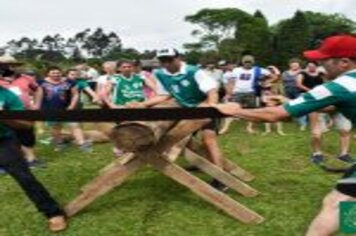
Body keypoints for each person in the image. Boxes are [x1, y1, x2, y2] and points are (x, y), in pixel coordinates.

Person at [214, 35, 356, 236]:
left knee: (336, 204)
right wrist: (290, 101)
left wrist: (233, 110)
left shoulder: (340, 85)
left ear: (344, 62)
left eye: (324, 61)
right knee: (346, 202)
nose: (320, 66)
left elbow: (274, 115)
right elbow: (341, 103)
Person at [129, 48, 228, 191]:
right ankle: (200, 163)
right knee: (181, 138)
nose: (167, 63)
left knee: (209, 140)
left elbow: (212, 91)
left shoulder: (194, 72)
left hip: (204, 106)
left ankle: (221, 178)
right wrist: (142, 104)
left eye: (170, 59)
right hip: (184, 109)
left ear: (178, 58)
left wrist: (209, 109)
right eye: (163, 61)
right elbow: (164, 95)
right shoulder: (161, 74)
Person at [0, 79, 67, 232]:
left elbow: (27, 124)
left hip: (3, 141)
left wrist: (4, 117)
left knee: (24, 177)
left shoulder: (6, 95)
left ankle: (53, 212)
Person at [297, 62, 354, 164]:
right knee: (316, 133)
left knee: (345, 130)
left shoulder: (345, 82)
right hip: (318, 108)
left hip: (338, 107)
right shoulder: (319, 89)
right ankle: (317, 154)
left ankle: (344, 154)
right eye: (324, 75)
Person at [0, 57, 45, 169]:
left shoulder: (26, 78)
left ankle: (31, 160)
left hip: (25, 112)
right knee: (7, 138)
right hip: (6, 114)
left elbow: (38, 89)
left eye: (12, 65)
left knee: (27, 135)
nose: (10, 67)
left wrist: (37, 105)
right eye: (6, 65)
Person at [35, 66, 87, 152]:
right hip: (50, 109)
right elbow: (38, 96)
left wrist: (71, 106)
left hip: (67, 109)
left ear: (61, 73)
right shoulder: (41, 82)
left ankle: (82, 144)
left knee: (75, 125)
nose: (56, 75)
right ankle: (58, 144)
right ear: (48, 73)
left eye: (58, 73)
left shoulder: (69, 82)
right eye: (53, 73)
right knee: (56, 127)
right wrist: (38, 107)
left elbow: (75, 94)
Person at [227, 55, 277, 134]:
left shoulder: (258, 70)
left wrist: (266, 82)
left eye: (249, 62)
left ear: (252, 63)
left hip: (251, 92)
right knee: (232, 110)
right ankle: (225, 128)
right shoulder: (236, 70)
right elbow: (231, 82)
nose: (248, 64)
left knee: (251, 111)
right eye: (246, 62)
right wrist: (229, 93)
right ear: (243, 62)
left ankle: (249, 128)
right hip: (237, 92)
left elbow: (274, 76)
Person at [282, 59, 308, 130]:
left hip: (298, 92)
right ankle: (291, 120)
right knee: (288, 106)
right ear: (290, 65)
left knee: (300, 107)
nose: (294, 66)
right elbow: (283, 82)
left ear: (299, 65)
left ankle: (303, 124)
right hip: (287, 92)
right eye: (292, 64)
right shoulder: (285, 73)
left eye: (296, 64)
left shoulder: (303, 72)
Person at [261, 65, 285, 136]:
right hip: (267, 98)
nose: (271, 73)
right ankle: (268, 130)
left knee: (278, 114)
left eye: (272, 71)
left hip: (276, 98)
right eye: (269, 71)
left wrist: (273, 67)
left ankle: (279, 130)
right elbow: (263, 88)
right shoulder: (265, 80)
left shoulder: (277, 81)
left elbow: (278, 75)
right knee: (266, 114)